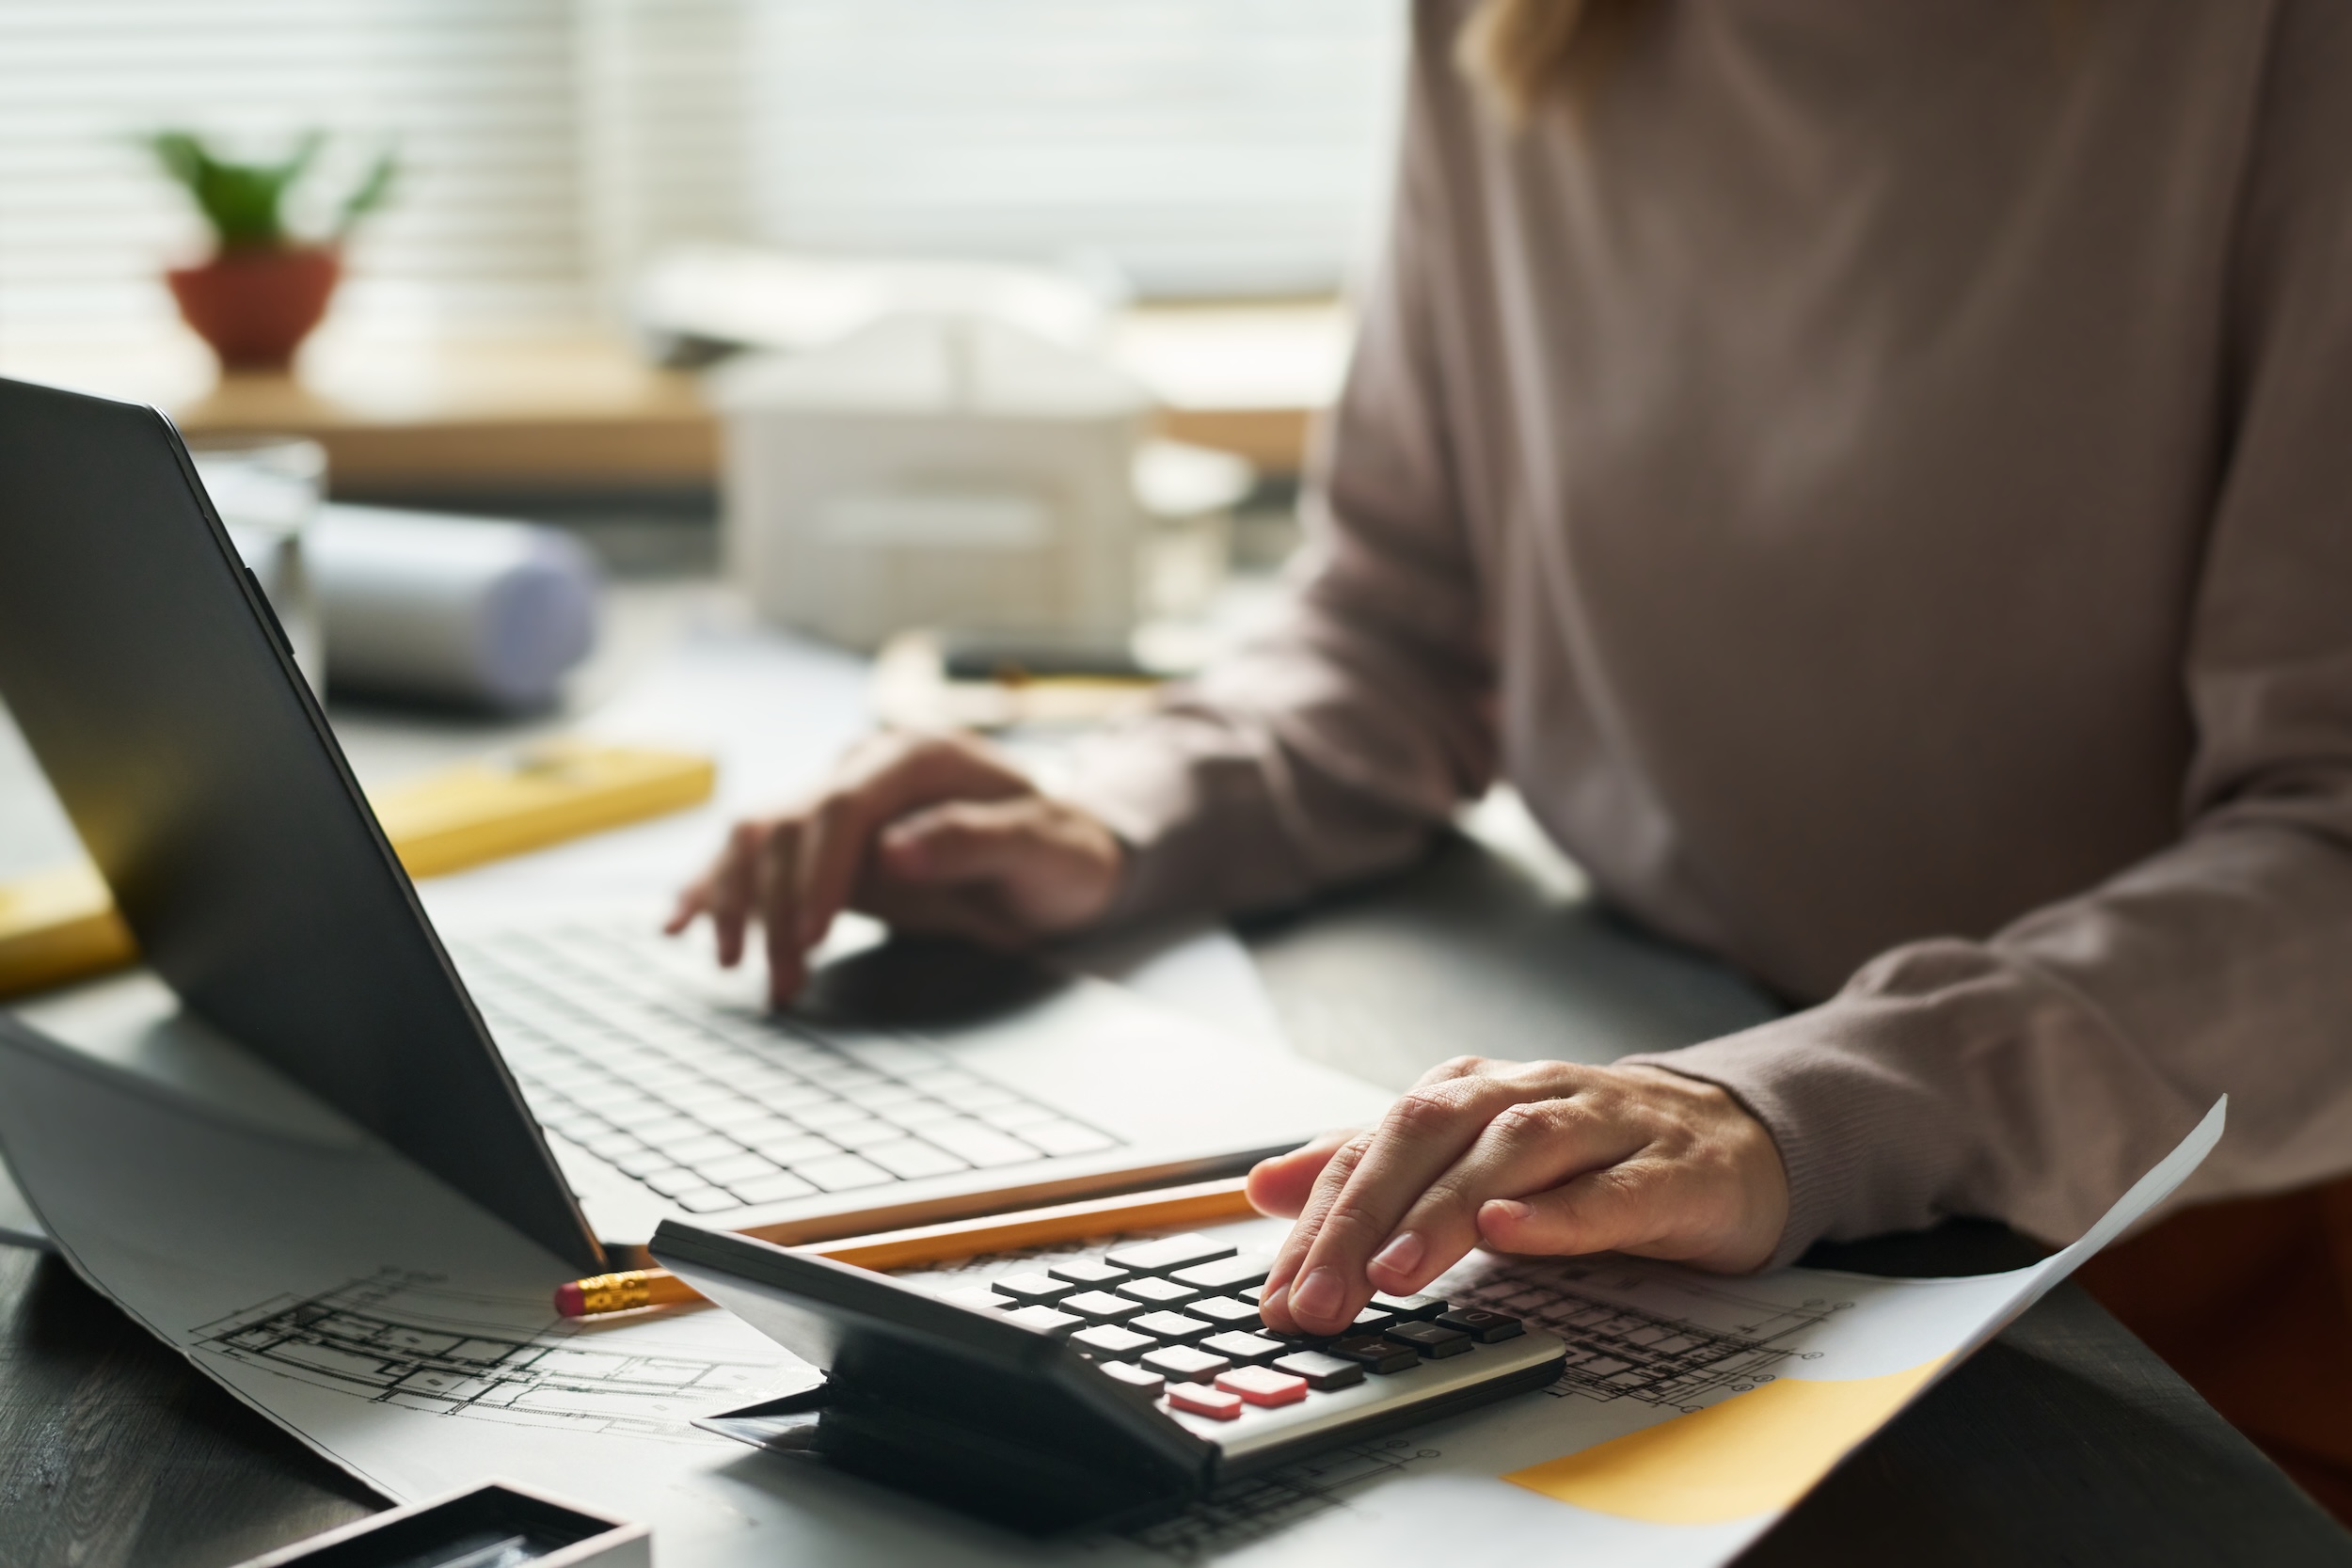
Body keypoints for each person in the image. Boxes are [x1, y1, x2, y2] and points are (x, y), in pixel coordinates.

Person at [672, 0, 2352, 1513]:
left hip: (2172, 1232)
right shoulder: (1517, 30)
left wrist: (1806, 1104)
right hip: (1656, 1141)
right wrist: (1111, 812)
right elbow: (1403, 627)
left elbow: (2330, 846)